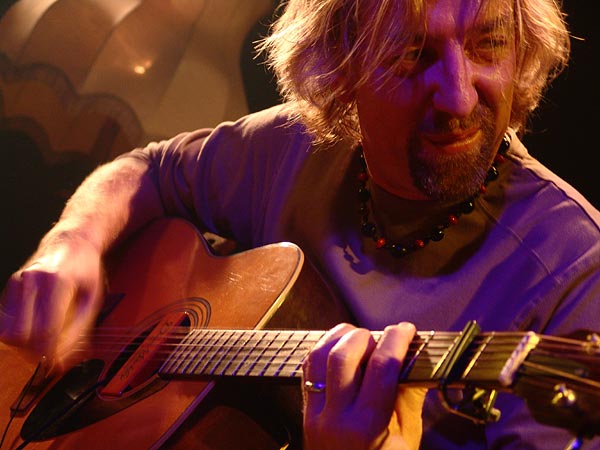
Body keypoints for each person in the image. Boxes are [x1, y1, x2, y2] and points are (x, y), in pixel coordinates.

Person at [1, 0, 599, 448]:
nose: (459, 98)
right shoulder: (298, 145)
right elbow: (150, 170)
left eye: (489, 46)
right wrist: (71, 243)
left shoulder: (576, 272)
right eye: (412, 56)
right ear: (341, 69)